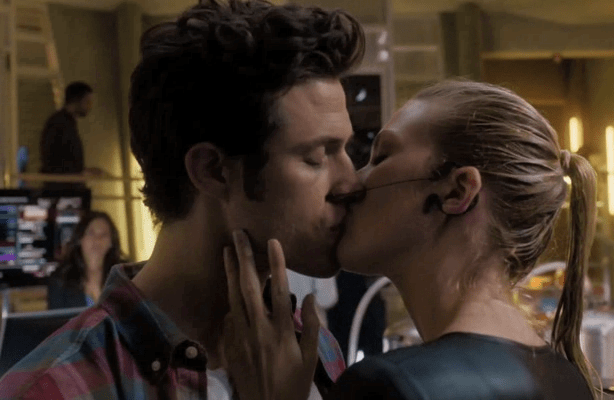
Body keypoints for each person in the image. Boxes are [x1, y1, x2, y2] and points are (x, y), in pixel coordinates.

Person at [0, 0, 364, 398]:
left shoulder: (314, 347)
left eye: (347, 150)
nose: (351, 183)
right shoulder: (55, 390)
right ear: (213, 171)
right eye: (317, 157)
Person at [224, 80, 599, 400]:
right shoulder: (569, 380)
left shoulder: (389, 386)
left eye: (381, 156)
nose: (351, 184)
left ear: (457, 192)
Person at [47, 211, 127, 309]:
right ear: (80, 239)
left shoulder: (126, 276)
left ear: (111, 242)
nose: (97, 240)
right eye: (91, 233)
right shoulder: (60, 281)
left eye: (104, 235)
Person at [39, 81, 103, 190]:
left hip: (65, 186)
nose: (90, 106)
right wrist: (81, 173)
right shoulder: (60, 124)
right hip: (62, 189)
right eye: (87, 101)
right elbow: (53, 160)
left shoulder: (64, 122)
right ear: (76, 100)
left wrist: (83, 172)